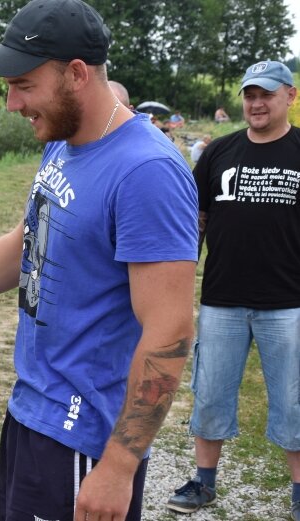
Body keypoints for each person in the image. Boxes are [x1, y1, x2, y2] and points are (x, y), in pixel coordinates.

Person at [0, 1, 199, 519]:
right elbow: (30, 238)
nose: (11, 103)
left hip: (84, 434)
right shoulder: (65, 140)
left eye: (23, 84)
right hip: (33, 408)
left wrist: (119, 466)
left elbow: (170, 330)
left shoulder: (147, 172)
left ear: (76, 74)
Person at [166, 60, 300, 521]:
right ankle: (204, 483)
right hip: (222, 298)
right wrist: (181, 280)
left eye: (266, 94)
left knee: (293, 400)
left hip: (289, 302)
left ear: (290, 97)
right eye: (249, 95)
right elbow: (196, 223)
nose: (256, 103)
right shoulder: (219, 152)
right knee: (211, 394)